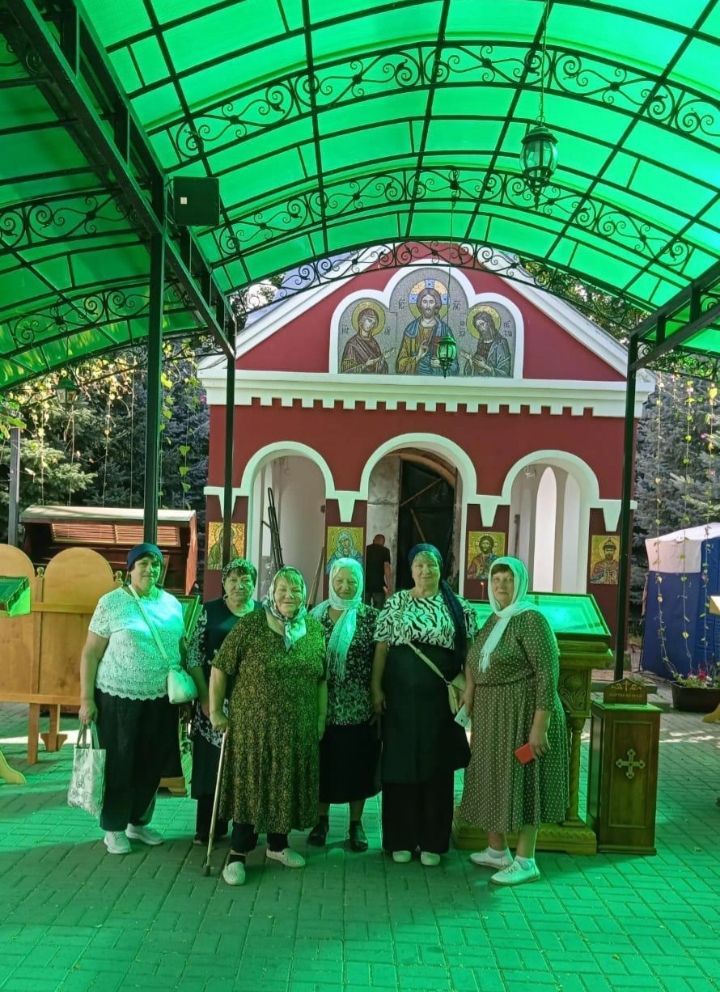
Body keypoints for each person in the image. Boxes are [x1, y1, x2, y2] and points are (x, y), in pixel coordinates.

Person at [209, 566, 327, 886]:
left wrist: (320, 718)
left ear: (304, 594)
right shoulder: (252, 624)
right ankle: (237, 854)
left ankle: (278, 845)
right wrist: (215, 711)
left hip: (297, 726)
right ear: (272, 593)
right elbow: (220, 668)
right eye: (282, 590)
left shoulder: (314, 629)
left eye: (296, 590)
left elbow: (321, 679)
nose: (289, 596)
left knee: (285, 784)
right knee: (252, 786)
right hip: (254, 727)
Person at [459, 556, 569, 886]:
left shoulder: (531, 619)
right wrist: (470, 691)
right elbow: (475, 661)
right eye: (496, 580)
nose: (501, 585)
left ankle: (526, 859)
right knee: (494, 777)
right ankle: (497, 851)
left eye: (508, 579)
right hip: (493, 717)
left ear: (520, 583)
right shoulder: (494, 619)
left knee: (525, 779)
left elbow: (547, 673)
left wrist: (540, 726)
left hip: (523, 714)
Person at [371, 543, 479, 866]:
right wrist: (376, 688)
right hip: (400, 702)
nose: (425, 571)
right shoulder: (397, 603)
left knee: (436, 767)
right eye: (419, 565)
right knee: (400, 766)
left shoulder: (458, 606)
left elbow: (470, 652)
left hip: (439, 704)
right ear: (410, 569)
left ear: (440, 568)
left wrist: (469, 689)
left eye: (431, 565)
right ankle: (400, 839)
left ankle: (433, 841)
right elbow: (382, 648)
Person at [79, 542, 187, 855]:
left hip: (160, 698)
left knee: (151, 762)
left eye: (156, 564)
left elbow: (180, 647)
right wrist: (86, 699)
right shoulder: (111, 603)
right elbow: (90, 653)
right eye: (143, 564)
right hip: (118, 697)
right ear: (130, 569)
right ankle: (113, 827)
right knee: (120, 762)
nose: (150, 570)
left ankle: (137, 821)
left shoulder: (171, 604)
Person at [186, 557, 261, 845]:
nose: (239, 585)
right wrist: (206, 698)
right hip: (213, 700)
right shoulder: (209, 612)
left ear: (254, 584)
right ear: (224, 584)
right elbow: (194, 655)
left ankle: (245, 827)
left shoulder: (263, 614)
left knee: (244, 766)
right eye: (233, 580)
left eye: (246, 580)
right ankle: (209, 827)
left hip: (251, 705)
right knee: (211, 763)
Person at [308, 558, 380, 852]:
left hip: (358, 707)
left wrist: (377, 694)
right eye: (339, 580)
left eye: (352, 581)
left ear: (360, 583)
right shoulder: (314, 616)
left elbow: (380, 660)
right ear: (331, 582)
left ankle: (355, 823)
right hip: (322, 707)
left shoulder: (371, 617)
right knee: (323, 766)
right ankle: (321, 820)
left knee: (357, 767)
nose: (345, 586)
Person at [396, 286, 459, 376]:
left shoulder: (444, 330)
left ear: (436, 304)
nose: (428, 306)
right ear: (420, 304)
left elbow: (455, 365)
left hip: (437, 381)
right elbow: (399, 366)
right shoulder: (411, 330)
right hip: (415, 381)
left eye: (431, 302)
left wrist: (442, 363)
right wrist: (418, 357)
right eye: (425, 302)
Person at [462, 309, 512, 377]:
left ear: (489, 323)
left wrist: (486, 367)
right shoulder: (481, 343)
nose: (480, 328)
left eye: (482, 324)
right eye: (478, 326)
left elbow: (505, 372)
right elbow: (476, 367)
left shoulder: (501, 343)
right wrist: (471, 360)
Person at [340, 305, 389, 374]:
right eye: (369, 320)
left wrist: (381, 361)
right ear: (361, 320)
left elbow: (381, 369)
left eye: (373, 323)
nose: (371, 325)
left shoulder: (374, 343)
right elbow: (346, 371)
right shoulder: (352, 344)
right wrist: (365, 365)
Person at [365, 533, 392, 607]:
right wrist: (389, 585)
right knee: (378, 609)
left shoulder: (365, 549)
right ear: (383, 542)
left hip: (366, 585)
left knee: (365, 608)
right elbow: (386, 567)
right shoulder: (385, 551)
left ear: (373, 540)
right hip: (379, 586)